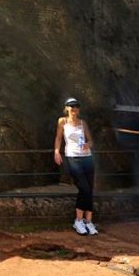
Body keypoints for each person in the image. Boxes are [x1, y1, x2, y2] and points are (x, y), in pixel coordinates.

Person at [54, 97, 97, 235]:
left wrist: (87, 145)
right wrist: (56, 151)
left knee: (89, 188)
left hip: (87, 157)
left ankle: (88, 221)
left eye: (76, 106)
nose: (74, 109)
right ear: (66, 107)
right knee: (83, 187)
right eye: (71, 106)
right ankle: (78, 220)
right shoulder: (62, 121)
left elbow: (90, 141)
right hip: (73, 157)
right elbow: (59, 138)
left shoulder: (83, 123)